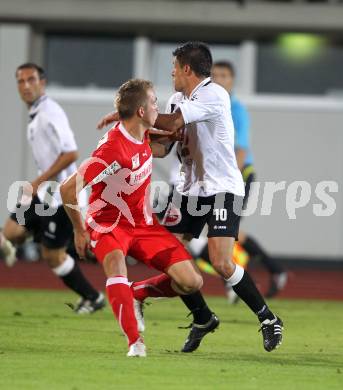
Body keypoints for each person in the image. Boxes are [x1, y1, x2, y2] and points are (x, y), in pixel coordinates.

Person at [97, 42, 284, 354]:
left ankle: (268, 319)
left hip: (223, 188)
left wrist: (128, 113)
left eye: (174, 67)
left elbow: (170, 123)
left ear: (187, 69)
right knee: (172, 259)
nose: (171, 73)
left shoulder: (213, 94)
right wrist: (130, 138)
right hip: (188, 192)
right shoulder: (176, 99)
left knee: (222, 262)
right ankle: (202, 317)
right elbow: (163, 145)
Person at [60, 79, 205, 357]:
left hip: (143, 223)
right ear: (140, 111)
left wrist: (175, 137)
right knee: (116, 265)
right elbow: (68, 188)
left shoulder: (143, 133)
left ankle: (135, 293)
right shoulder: (113, 149)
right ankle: (135, 342)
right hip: (108, 223)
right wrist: (79, 230)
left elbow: (155, 145)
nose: (157, 106)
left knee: (192, 282)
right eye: (153, 102)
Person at [0, 63, 105, 314]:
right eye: (20, 81)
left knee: (52, 256)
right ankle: (30, 237)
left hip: (64, 198)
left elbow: (71, 153)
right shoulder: (36, 114)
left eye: (31, 79)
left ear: (42, 82)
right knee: (11, 231)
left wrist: (37, 182)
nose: (25, 85)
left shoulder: (50, 111)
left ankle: (93, 298)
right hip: (46, 193)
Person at [208, 60, 288, 300]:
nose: (219, 79)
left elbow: (240, 149)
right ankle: (274, 269)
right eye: (215, 75)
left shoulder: (236, 110)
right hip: (221, 176)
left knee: (224, 229)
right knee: (226, 229)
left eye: (224, 75)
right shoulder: (211, 105)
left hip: (238, 174)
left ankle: (237, 280)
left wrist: (227, 178)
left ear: (232, 81)